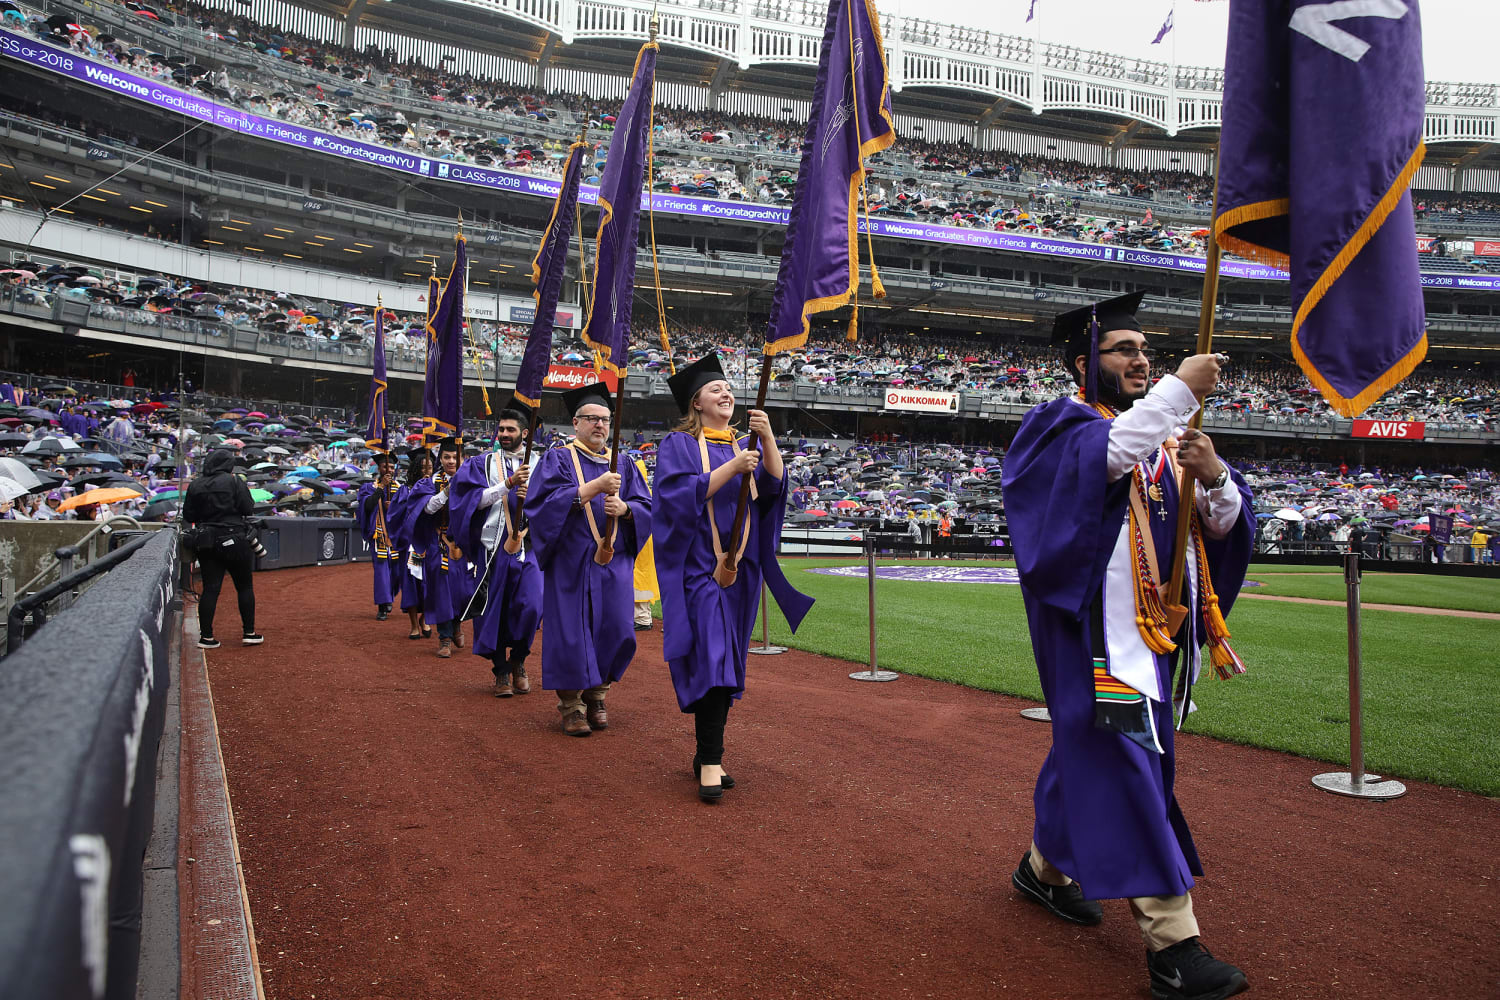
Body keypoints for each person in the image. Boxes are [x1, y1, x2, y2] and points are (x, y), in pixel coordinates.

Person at [1000, 292, 1254, 1000]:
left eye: (1148, 352)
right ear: (1088, 360)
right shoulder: (1060, 424)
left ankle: (1043, 868)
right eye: (1125, 350)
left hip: (1155, 634)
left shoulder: (1164, 443)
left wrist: (1215, 480)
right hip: (1096, 640)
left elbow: (1217, 531)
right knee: (1126, 764)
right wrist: (1178, 393)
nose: (1142, 360)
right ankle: (1174, 945)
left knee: (1088, 753)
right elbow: (1101, 461)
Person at [654, 354, 813, 801]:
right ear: (696, 403)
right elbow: (673, 496)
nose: (725, 393)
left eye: (728, 387)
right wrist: (732, 468)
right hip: (699, 570)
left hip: (740, 572)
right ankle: (709, 760)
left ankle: (709, 752)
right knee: (714, 658)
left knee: (727, 664)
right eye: (714, 389)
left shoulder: (745, 443)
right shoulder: (678, 444)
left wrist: (767, 440)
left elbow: (775, 488)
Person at [522, 383, 652, 737]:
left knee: (617, 630)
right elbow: (539, 506)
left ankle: (598, 694)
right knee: (571, 634)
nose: (599, 425)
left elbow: (647, 508)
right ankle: (572, 706)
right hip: (572, 565)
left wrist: (626, 509)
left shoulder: (623, 462)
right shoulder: (559, 458)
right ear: (575, 422)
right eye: (591, 419)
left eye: (605, 420)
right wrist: (590, 490)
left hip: (613, 565)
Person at [450, 406, 542, 698]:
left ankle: (519, 660)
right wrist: (507, 485)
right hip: (493, 548)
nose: (503, 434)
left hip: (529, 548)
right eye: (500, 429)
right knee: (493, 611)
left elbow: (554, 503)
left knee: (531, 606)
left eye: (510, 430)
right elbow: (468, 503)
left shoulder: (542, 463)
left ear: (525, 433)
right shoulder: (482, 463)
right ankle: (501, 670)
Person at [390, 438, 475, 657]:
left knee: (462, 590)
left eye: (455, 456)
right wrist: (447, 491)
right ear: (440, 459)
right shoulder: (429, 482)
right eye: (446, 456)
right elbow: (426, 509)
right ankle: (444, 638)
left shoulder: (471, 480)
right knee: (440, 591)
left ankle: (457, 623)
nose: (450, 461)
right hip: (438, 543)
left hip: (463, 545)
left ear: (462, 458)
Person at [182, 449, 263, 649]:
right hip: (236, 537)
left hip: (207, 540)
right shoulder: (235, 481)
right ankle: (249, 633)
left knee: (210, 589)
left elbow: (189, 515)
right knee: (244, 586)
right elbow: (247, 508)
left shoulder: (195, 484)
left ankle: (207, 637)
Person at [355, 452, 405, 620]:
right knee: (382, 571)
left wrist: (395, 508)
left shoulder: (401, 489)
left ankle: (389, 595)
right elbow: (366, 507)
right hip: (380, 535)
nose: (389, 470)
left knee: (398, 572)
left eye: (392, 467)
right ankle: (383, 606)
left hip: (398, 536)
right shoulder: (369, 488)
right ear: (379, 468)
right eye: (385, 466)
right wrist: (381, 489)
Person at [392, 450, 434, 640]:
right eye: (423, 467)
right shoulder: (405, 490)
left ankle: (425, 619)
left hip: (431, 543)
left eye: (430, 467)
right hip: (411, 544)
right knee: (411, 583)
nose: (427, 471)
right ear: (416, 469)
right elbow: (396, 516)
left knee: (432, 583)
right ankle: (414, 624)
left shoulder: (437, 488)